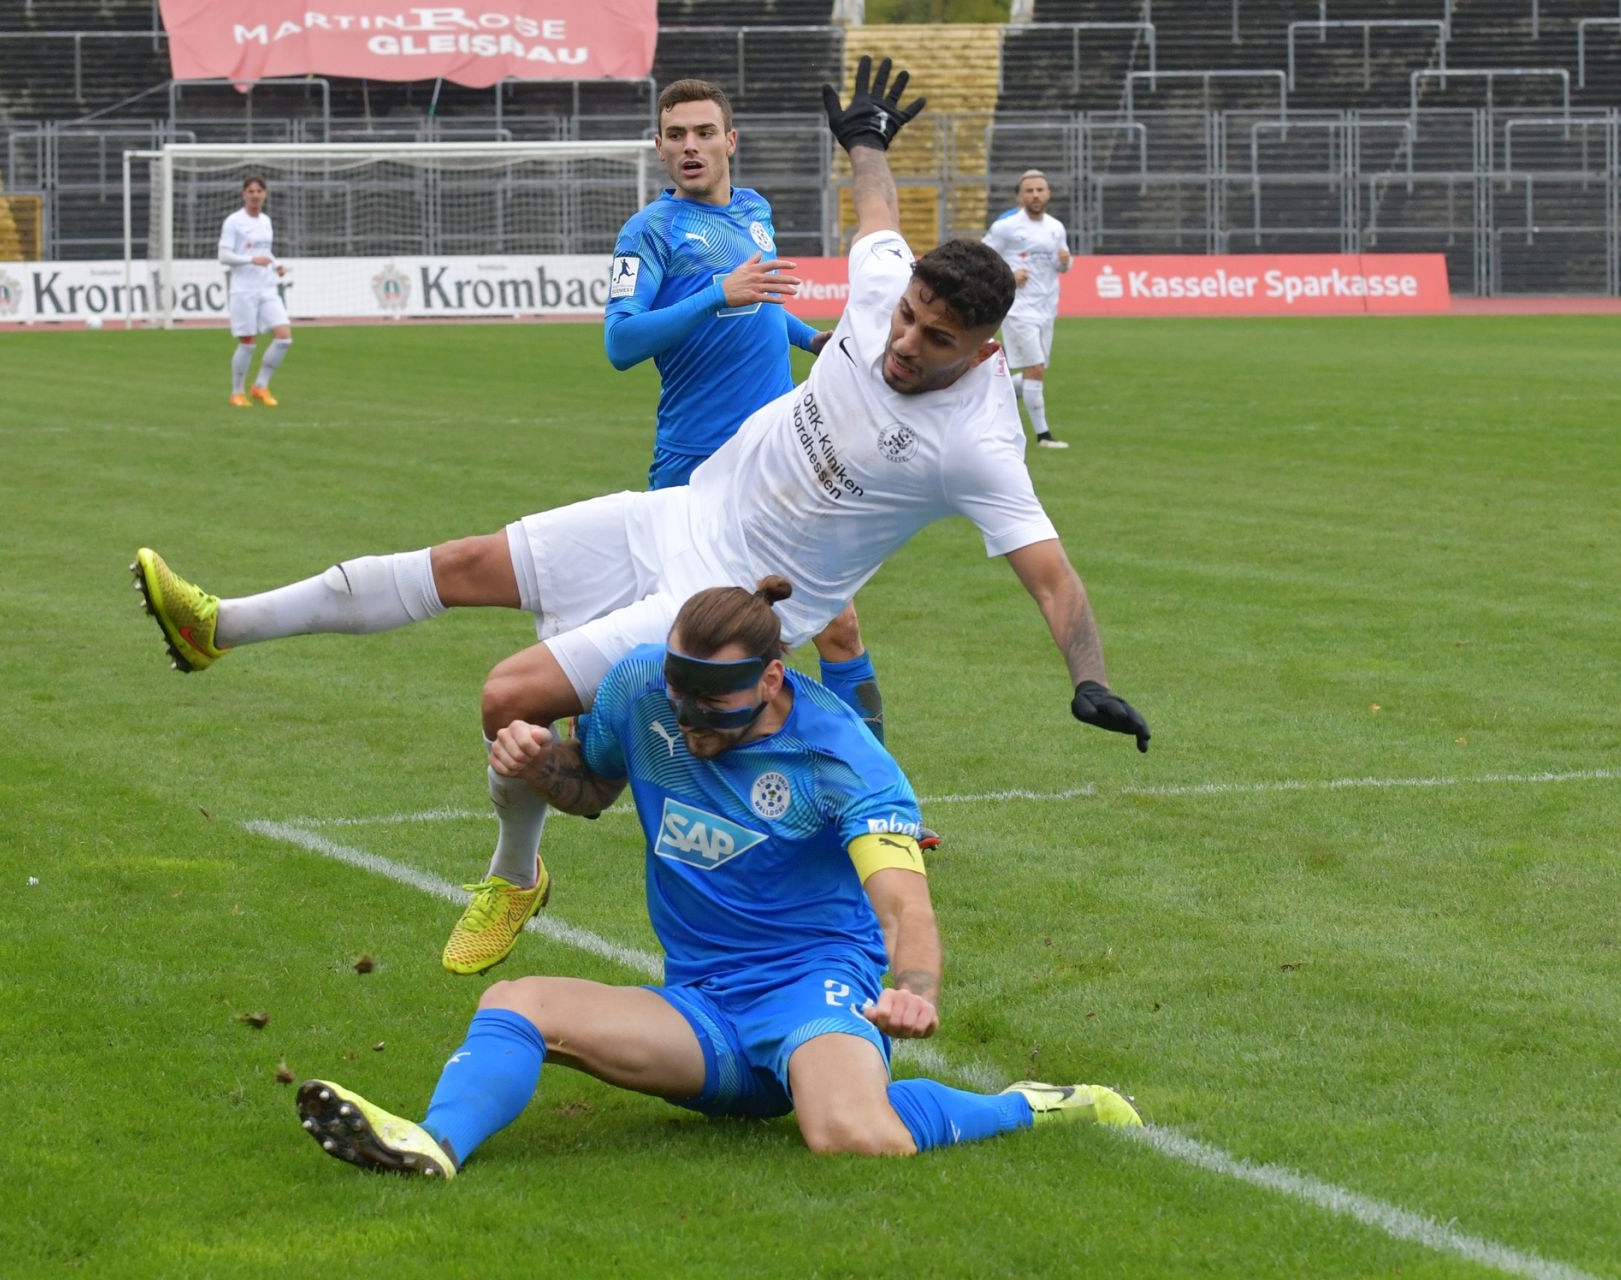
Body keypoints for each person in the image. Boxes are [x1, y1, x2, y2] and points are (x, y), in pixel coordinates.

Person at [131, 55, 1150, 981]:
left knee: (506, 696)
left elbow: (1053, 577)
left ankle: (516, 874)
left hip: (726, 601)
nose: (905, 343)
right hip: (677, 511)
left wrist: (1090, 679)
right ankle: (218, 626)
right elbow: (878, 213)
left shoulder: (978, 442)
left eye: (935, 340)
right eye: (907, 317)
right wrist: (867, 140)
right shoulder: (884, 284)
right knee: (460, 562)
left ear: (983, 352)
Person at [293, 579, 1141, 1178]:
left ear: (771, 679)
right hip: (700, 1010)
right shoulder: (639, 686)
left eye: (714, 703)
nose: (690, 720)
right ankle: (433, 1144)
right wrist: (538, 760)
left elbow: (903, 907)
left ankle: (1029, 1104)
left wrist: (914, 989)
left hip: (814, 992)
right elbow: (590, 790)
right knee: (516, 1003)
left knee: (851, 1135)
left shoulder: (844, 760)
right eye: (680, 695)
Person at [606, 78, 899, 770]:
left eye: (704, 132)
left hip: (778, 459)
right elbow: (620, 341)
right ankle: (595, 733)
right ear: (659, 147)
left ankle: (868, 783)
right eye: (677, 135)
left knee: (837, 623)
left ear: (730, 141)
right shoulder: (649, 231)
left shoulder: (754, 209)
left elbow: (759, 302)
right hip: (696, 464)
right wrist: (716, 293)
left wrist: (808, 337)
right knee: (681, 637)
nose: (691, 146)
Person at [983, 170, 1071, 448]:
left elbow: (1060, 266)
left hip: (1046, 308)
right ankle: (1043, 436)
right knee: (1035, 368)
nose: (1035, 195)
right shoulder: (1006, 227)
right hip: (1018, 309)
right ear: (1019, 197)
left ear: (1048, 194)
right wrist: (1009, 275)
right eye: (1029, 191)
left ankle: (989, 393)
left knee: (1038, 369)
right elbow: (982, 259)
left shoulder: (1056, 227)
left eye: (1040, 190)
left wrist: (1065, 262)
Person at [219, 174, 292, 407]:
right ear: (244, 195)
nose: (255, 195)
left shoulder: (266, 221)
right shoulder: (234, 221)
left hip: (267, 288)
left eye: (259, 191)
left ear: (265, 194)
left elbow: (265, 251)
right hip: (244, 290)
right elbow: (224, 256)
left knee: (284, 338)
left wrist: (276, 264)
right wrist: (251, 260)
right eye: (250, 191)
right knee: (248, 342)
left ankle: (260, 386)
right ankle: (236, 392)